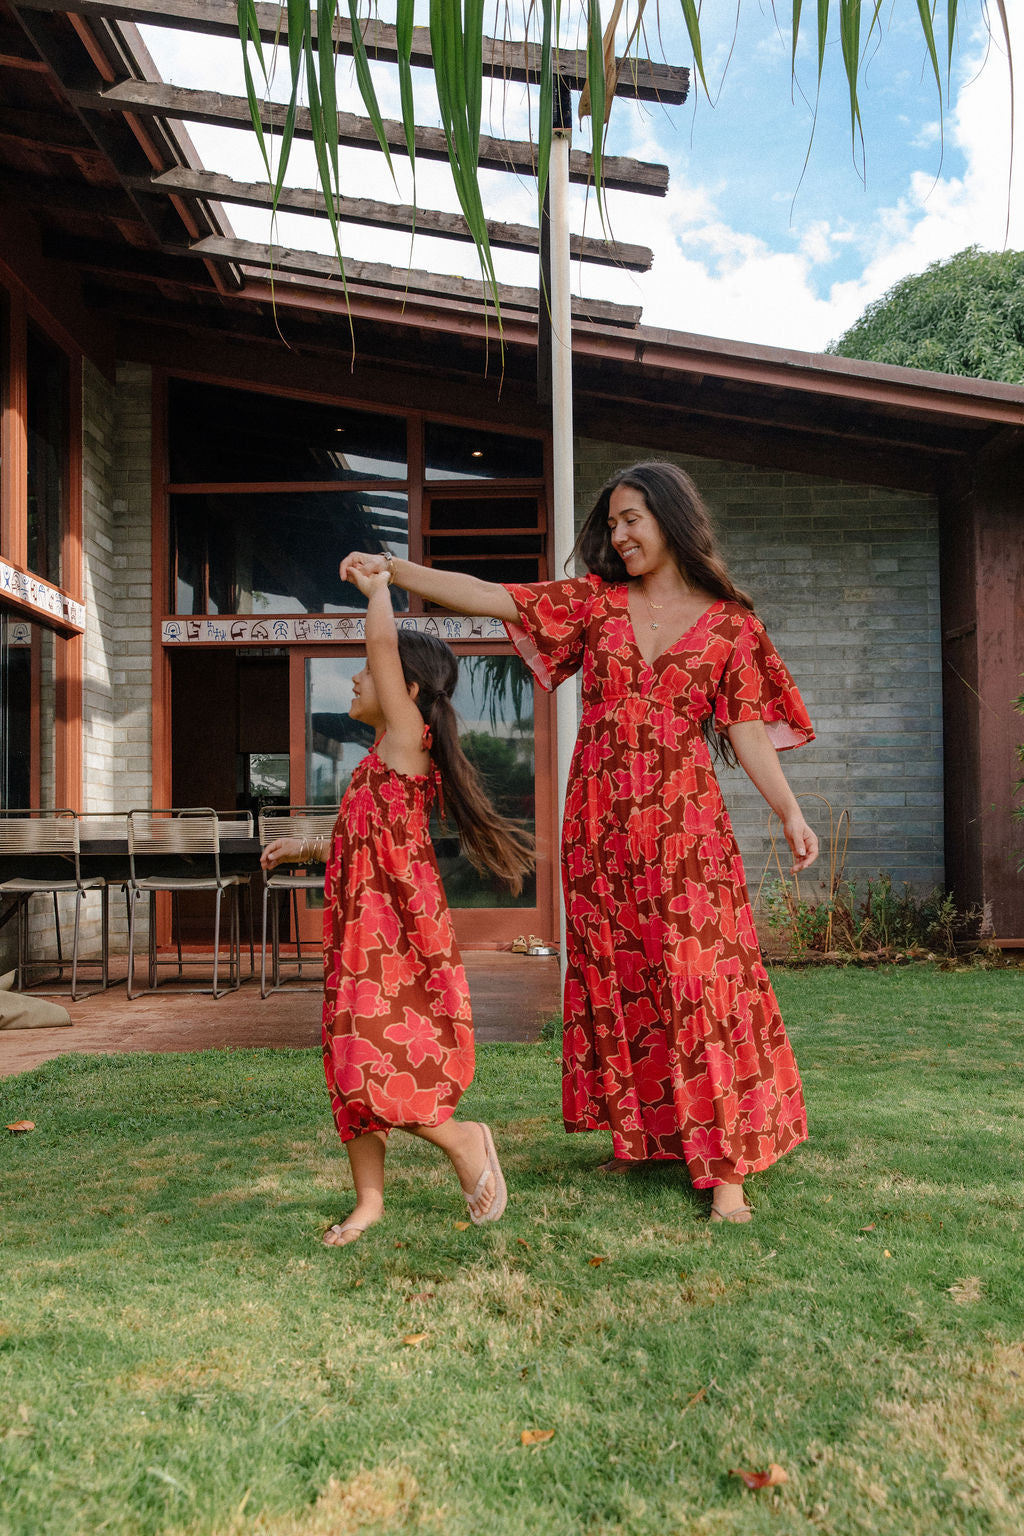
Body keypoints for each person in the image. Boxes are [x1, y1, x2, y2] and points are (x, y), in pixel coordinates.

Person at [340, 460, 818, 1223]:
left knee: (705, 982)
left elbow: (746, 727)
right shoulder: (595, 605)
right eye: (614, 522)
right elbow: (499, 597)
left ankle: (726, 1167)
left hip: (688, 832)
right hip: (600, 828)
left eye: (634, 519)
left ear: (672, 519)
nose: (620, 535)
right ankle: (646, 1132)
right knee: (624, 981)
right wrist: (394, 568)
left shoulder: (730, 625)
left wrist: (789, 811)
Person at [261, 562, 534, 1246]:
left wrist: (380, 590)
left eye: (367, 671)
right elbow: (357, 842)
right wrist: (302, 847)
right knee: (346, 1070)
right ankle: (369, 1204)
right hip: (358, 939)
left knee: (370, 1061)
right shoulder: (373, 768)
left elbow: (382, 649)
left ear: (404, 691)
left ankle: (464, 1141)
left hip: (396, 942)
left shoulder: (407, 745)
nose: (355, 679)